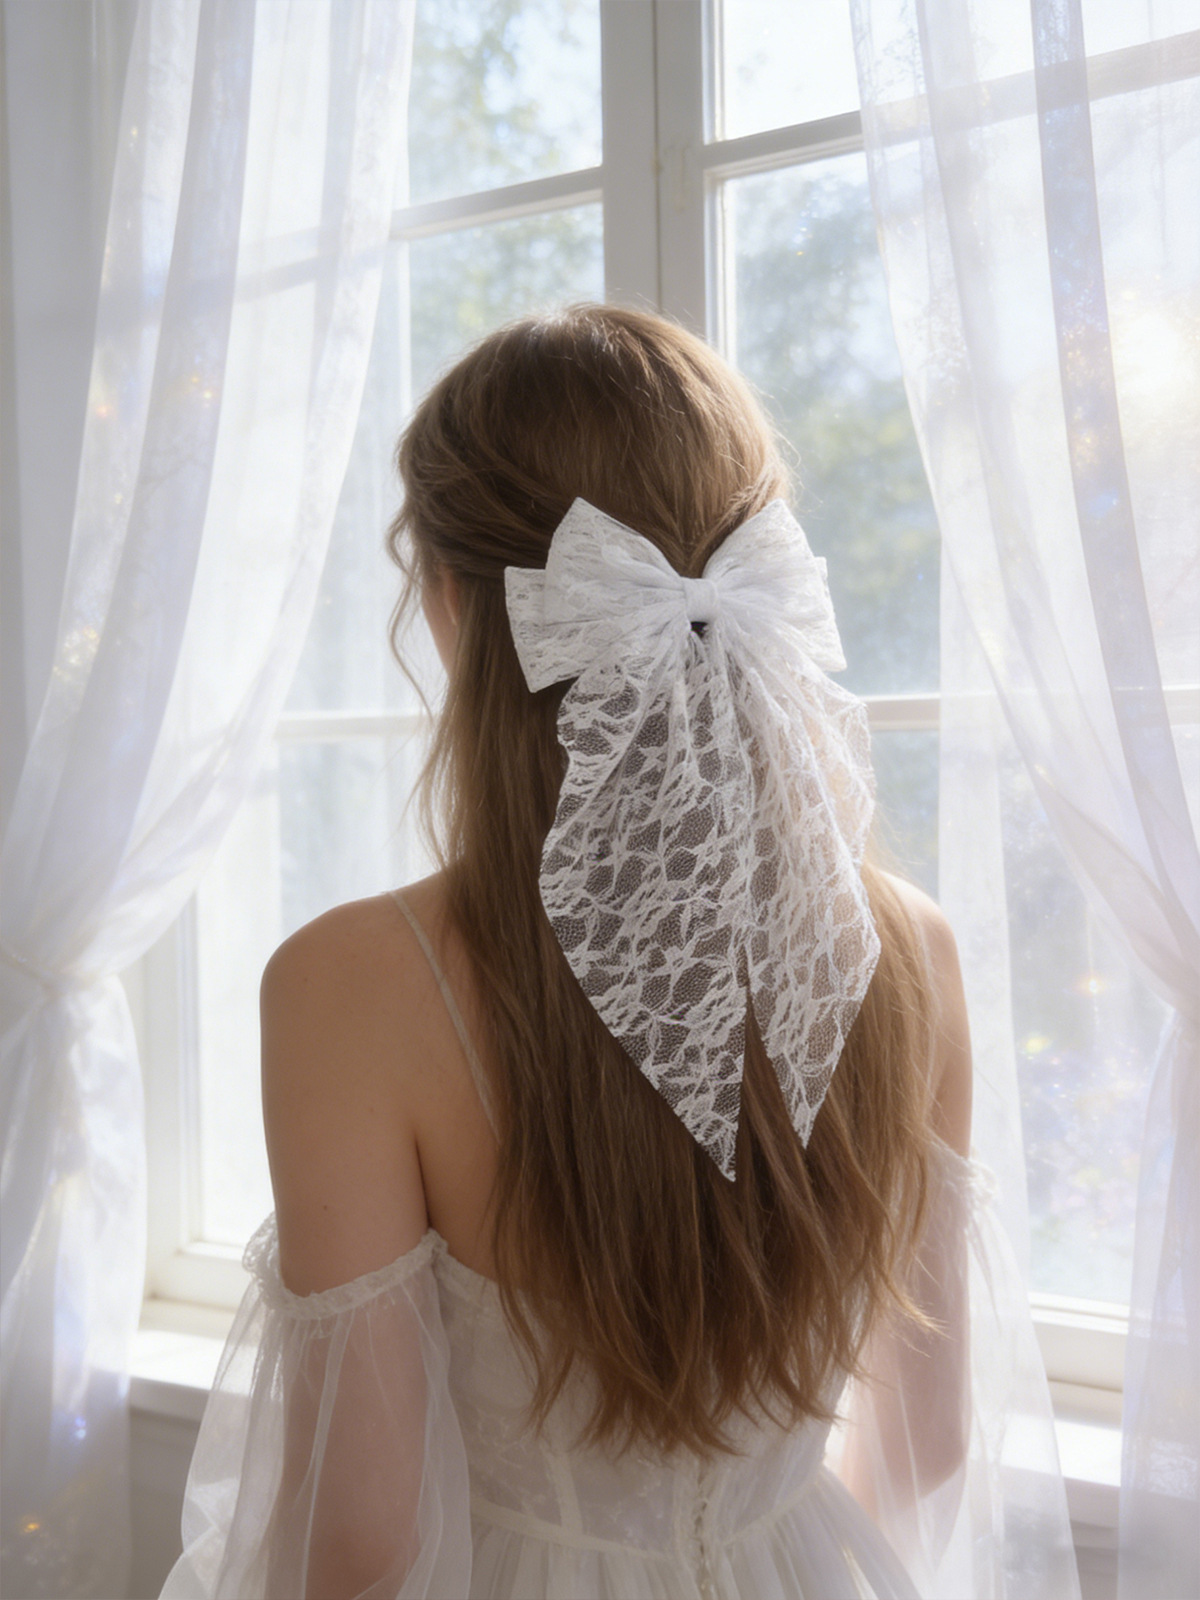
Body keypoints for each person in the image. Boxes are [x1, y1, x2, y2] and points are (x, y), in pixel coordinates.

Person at [162, 304, 979, 1600]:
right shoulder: (911, 950)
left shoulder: (354, 987)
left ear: (452, 605)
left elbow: (363, 1541)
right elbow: (927, 1440)